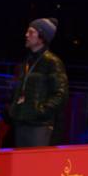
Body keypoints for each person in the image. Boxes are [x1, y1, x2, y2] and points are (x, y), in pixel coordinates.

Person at [8, 17, 69, 147]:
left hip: (39, 126)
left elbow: (61, 94)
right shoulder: (27, 60)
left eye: (31, 32)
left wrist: (40, 111)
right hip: (22, 121)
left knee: (36, 164)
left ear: (41, 37)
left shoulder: (52, 62)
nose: (26, 35)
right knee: (21, 164)